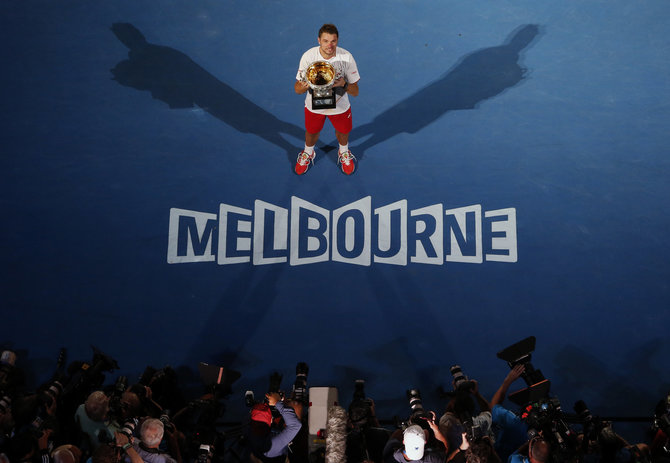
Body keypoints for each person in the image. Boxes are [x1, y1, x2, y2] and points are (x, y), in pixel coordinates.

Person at [294, 23, 360, 175]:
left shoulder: (346, 57)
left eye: (333, 41)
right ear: (318, 40)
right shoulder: (308, 57)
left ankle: (343, 152)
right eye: (325, 41)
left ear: (337, 40)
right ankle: (308, 152)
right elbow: (297, 90)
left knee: (343, 131)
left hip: (340, 105)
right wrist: (304, 86)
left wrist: (344, 84)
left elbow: (355, 92)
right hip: (313, 104)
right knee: (311, 132)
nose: (329, 45)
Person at [247, 392, 302, 462]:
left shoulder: (250, 432)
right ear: (270, 420)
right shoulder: (270, 446)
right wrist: (277, 403)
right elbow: (295, 425)